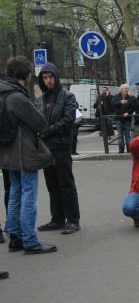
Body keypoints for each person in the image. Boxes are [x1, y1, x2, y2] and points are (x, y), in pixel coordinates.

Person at [0, 56, 57, 254]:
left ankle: (15, 236)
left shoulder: (3, 93)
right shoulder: (16, 97)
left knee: (15, 193)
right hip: (23, 152)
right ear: (26, 75)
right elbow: (40, 122)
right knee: (28, 196)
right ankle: (30, 240)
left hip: (7, 152)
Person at [35, 62, 81, 235]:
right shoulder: (40, 99)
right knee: (52, 186)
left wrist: (48, 131)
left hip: (61, 146)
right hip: (46, 147)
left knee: (66, 184)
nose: (48, 81)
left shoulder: (67, 96)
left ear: (56, 77)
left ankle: (73, 220)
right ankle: (57, 219)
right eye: (45, 78)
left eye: (51, 77)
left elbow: (69, 119)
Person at [112, 84, 136, 153]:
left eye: (128, 89)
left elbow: (133, 107)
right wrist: (120, 102)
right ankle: (121, 150)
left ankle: (129, 150)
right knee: (120, 135)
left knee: (128, 135)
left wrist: (128, 113)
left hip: (127, 119)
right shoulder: (116, 96)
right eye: (126, 88)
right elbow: (112, 105)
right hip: (118, 119)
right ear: (121, 89)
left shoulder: (130, 97)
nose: (127, 90)